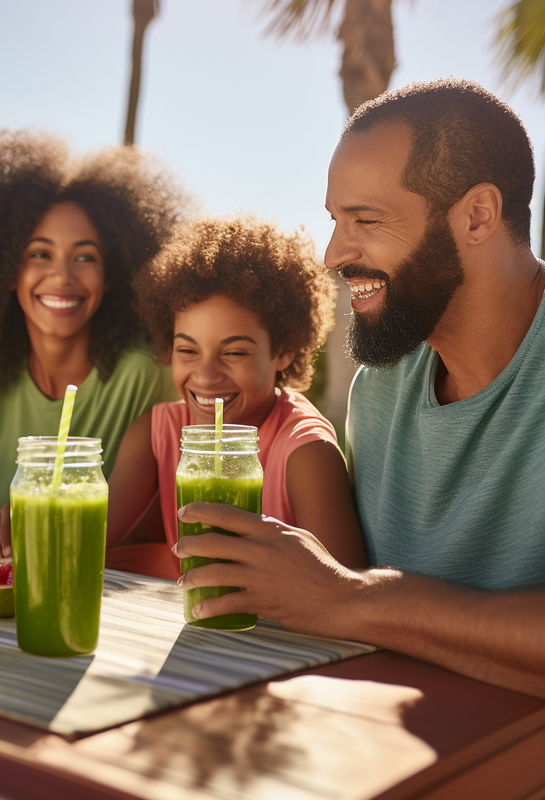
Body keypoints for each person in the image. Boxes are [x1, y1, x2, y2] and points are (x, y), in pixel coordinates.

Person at [176, 79, 545, 699]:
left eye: (366, 221)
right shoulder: (377, 394)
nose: (332, 255)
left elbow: (351, 602)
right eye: (334, 221)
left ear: (478, 215)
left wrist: (345, 597)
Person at [0, 129, 188, 561]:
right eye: (39, 254)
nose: (63, 276)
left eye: (85, 257)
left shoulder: (149, 375)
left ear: (111, 275)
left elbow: (166, 534)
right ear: (7, 271)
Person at [104, 216, 366, 580]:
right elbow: (88, 536)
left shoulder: (306, 455)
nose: (206, 376)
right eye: (187, 351)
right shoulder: (156, 433)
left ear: (284, 351)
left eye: (235, 353)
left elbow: (345, 593)